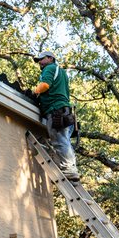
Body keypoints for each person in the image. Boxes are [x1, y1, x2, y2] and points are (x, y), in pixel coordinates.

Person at [31, 50, 80, 182]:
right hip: (65, 111)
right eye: (38, 60)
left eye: (42, 59)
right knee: (65, 141)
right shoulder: (62, 73)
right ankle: (71, 169)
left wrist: (35, 92)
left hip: (56, 110)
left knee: (59, 141)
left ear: (50, 58)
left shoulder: (50, 68)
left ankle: (69, 170)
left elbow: (45, 85)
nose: (39, 62)